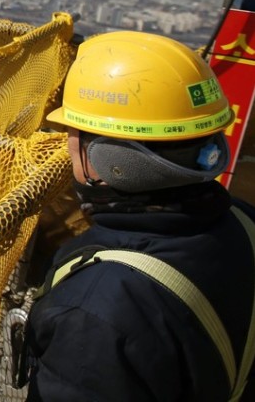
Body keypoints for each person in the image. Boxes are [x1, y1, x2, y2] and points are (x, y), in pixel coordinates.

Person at [24, 30, 255, 401]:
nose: (65, 144)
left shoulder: (94, 311)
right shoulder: (244, 222)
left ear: (110, 159)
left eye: (73, 131)